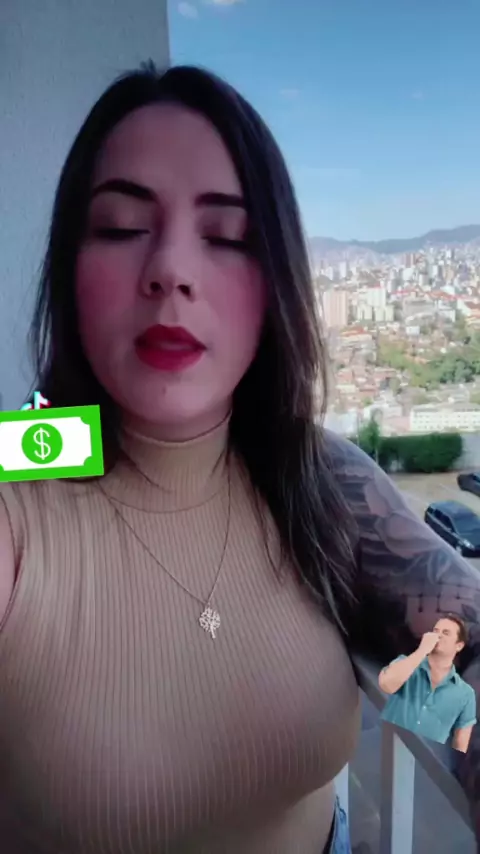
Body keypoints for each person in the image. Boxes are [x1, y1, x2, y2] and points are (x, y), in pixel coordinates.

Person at [0, 62, 479, 854]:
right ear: (68, 266)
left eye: (227, 237)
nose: (171, 271)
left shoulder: (309, 468)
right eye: (121, 227)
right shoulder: (25, 468)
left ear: (276, 286)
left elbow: (462, 628)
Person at [379, 614, 477, 751]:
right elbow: (387, 685)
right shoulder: (405, 663)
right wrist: (422, 650)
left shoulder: (466, 694)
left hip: (424, 760)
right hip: (386, 751)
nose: (438, 636)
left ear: (459, 646)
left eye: (446, 633)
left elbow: (461, 742)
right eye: (435, 631)